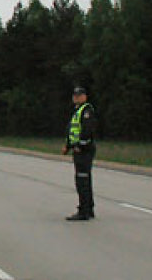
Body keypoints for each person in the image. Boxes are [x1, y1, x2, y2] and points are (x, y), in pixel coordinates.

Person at [61, 85, 97, 221]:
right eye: (75, 95)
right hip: (78, 149)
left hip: (84, 150)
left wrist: (80, 146)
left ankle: (84, 211)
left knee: (82, 180)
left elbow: (87, 131)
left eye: (79, 95)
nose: (76, 97)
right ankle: (89, 208)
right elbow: (73, 130)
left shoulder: (87, 111)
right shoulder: (78, 110)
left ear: (85, 96)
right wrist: (68, 146)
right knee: (84, 179)